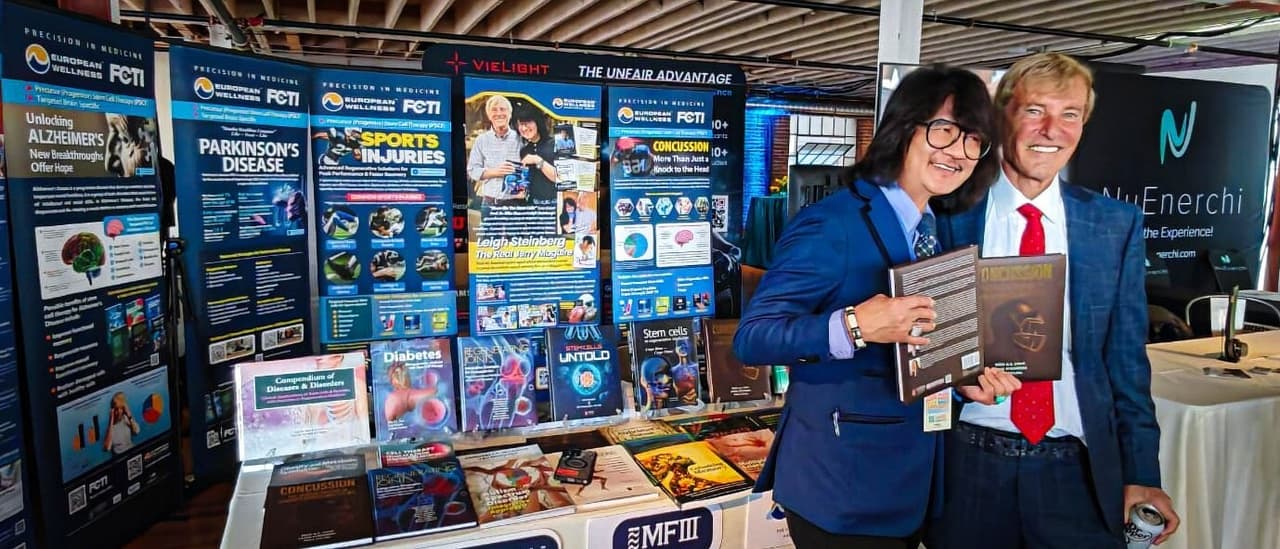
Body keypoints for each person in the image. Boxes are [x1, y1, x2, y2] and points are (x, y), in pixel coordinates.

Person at [732, 64, 1021, 549]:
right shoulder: (834, 222)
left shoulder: (935, 227)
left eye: (974, 139)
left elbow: (918, 348)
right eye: (945, 130)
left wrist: (960, 385)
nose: (958, 151)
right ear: (905, 126)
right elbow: (753, 337)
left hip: (913, 486)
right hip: (842, 488)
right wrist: (854, 325)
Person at [931, 53, 1180, 548]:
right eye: (1034, 111)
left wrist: (1142, 473)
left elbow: (1127, 364)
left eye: (1070, 114)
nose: (1051, 130)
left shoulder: (1113, 225)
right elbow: (918, 343)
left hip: (1078, 473)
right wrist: (956, 379)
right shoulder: (946, 217)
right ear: (1004, 116)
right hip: (968, 467)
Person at [467, 95, 525, 210]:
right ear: (489, 115)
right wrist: (496, 172)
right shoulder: (481, 140)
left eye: (503, 109)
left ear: (510, 114)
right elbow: (472, 170)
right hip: (490, 203)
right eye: (494, 110)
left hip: (516, 204)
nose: (499, 113)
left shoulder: (522, 138)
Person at [513, 106, 560, 203]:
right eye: (520, 124)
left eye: (528, 123)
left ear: (538, 122)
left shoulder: (555, 144)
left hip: (554, 204)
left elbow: (560, 178)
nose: (524, 128)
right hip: (532, 205)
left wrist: (537, 160)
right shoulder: (524, 151)